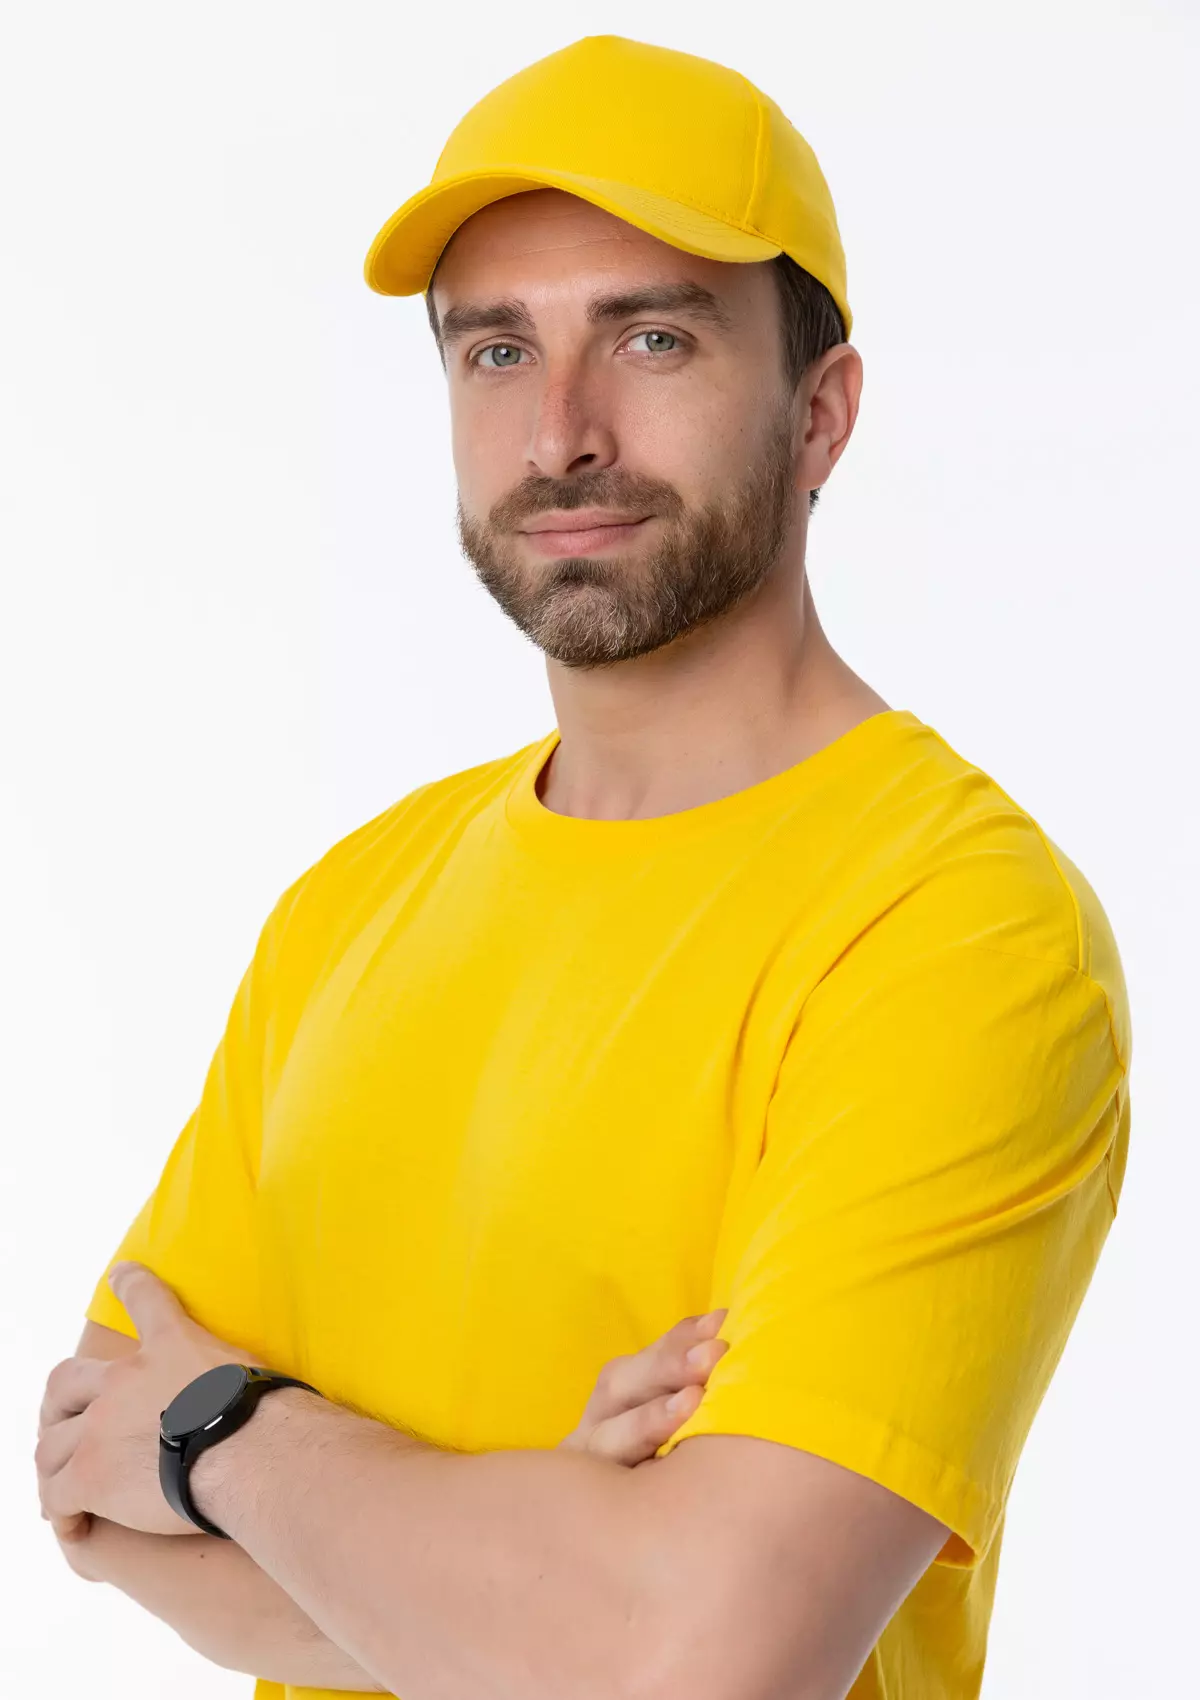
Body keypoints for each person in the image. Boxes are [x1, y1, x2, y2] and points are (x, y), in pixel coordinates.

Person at [37, 33, 1131, 1700]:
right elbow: (88, 1486)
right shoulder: (351, 905)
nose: (560, 432)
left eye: (652, 336)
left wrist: (232, 1440)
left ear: (821, 413)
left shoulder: (958, 930)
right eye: (496, 350)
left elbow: (698, 1663)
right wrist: (532, 1560)